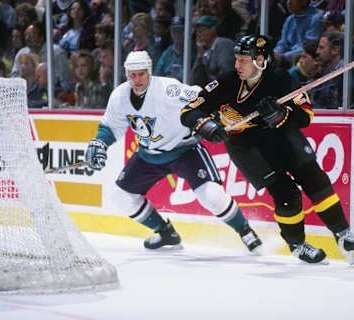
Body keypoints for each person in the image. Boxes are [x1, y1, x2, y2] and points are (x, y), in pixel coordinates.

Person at [180, 35, 354, 264]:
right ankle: (297, 245)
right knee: (286, 194)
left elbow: (305, 115)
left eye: (244, 61)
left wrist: (283, 115)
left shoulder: (281, 80)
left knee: (314, 178)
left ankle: (343, 235)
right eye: (237, 60)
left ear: (260, 59)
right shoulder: (225, 83)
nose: (237, 66)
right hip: (247, 148)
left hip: (282, 136)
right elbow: (189, 111)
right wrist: (206, 125)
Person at [85, 51, 263, 252]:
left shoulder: (169, 89)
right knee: (121, 197)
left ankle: (245, 231)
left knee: (211, 195)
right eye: (132, 75)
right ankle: (165, 233)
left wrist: (211, 120)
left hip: (184, 149)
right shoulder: (119, 96)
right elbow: (109, 127)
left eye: (141, 74)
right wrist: (99, 143)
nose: (137, 80)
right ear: (127, 74)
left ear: (149, 72)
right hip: (149, 154)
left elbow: (203, 98)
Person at [191, 15, 236, 87]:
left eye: (202, 30)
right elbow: (195, 80)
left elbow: (227, 75)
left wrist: (209, 88)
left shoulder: (224, 44)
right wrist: (199, 56)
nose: (199, 34)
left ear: (213, 29)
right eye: (198, 31)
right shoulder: (204, 50)